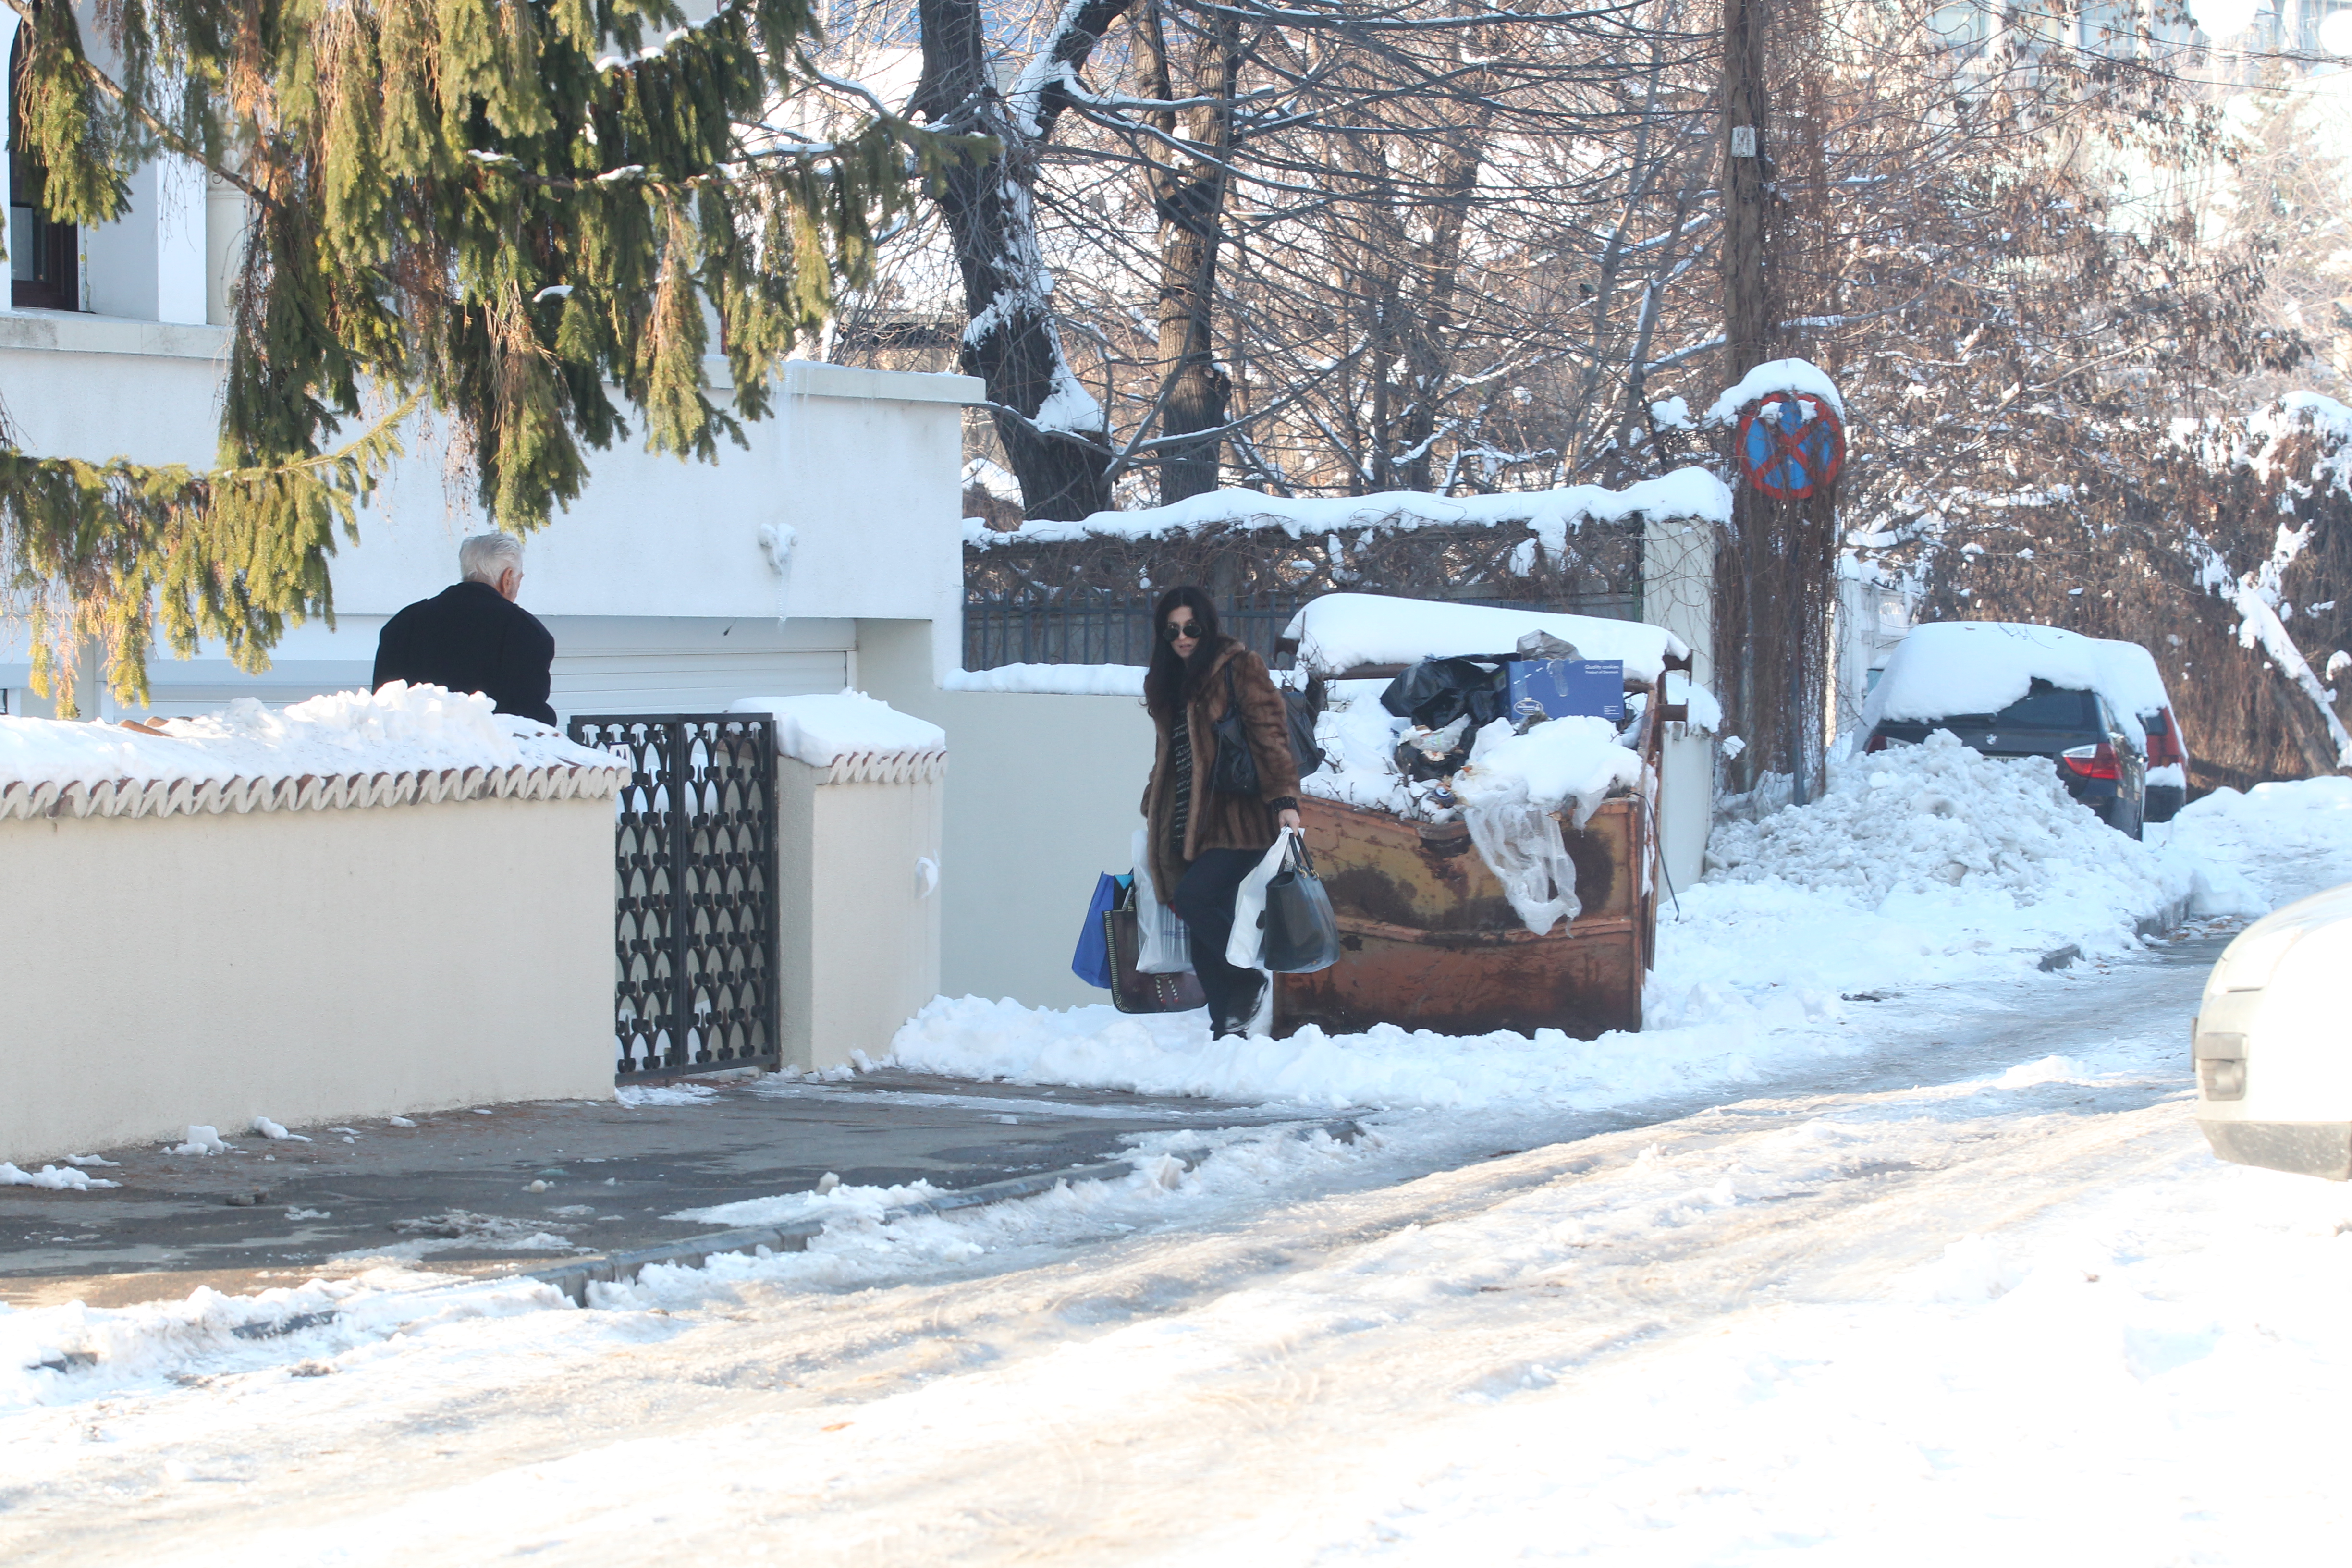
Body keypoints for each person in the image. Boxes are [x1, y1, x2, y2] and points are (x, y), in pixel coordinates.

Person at [1140, 587, 1303, 1039]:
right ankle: (1226, 1028)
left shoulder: (1239, 666)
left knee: (1196, 898)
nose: (1182, 638)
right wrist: (1153, 798)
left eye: (1191, 628)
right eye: (1172, 630)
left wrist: (1285, 800)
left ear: (1207, 627)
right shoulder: (1167, 679)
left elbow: (1271, 733)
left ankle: (1247, 978)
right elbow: (1171, 753)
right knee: (1197, 921)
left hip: (1239, 815)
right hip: (1188, 820)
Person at [372, 532, 557, 726]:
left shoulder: (404, 623)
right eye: (519, 579)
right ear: (508, 578)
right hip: (487, 745)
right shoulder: (526, 632)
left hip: (414, 743)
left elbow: (383, 707)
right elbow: (530, 723)